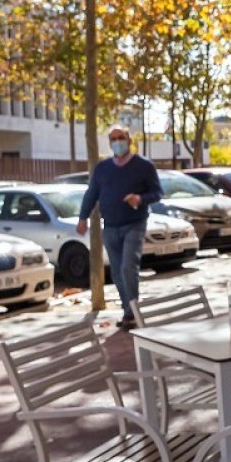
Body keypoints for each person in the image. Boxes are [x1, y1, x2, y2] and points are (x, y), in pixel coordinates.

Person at [78, 125, 163, 329]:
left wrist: (139, 198)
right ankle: (129, 311)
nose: (117, 142)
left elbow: (157, 193)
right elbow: (92, 194)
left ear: (129, 140)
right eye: (113, 139)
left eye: (121, 138)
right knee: (116, 272)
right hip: (110, 227)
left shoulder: (144, 166)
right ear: (109, 143)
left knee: (128, 267)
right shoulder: (103, 168)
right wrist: (83, 218)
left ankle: (133, 313)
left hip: (134, 224)